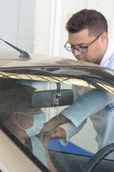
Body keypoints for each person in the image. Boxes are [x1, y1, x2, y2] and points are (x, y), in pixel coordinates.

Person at [40, 9, 114, 156]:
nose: (76, 53)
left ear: (103, 37)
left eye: (83, 47)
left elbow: (101, 95)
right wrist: (64, 130)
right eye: (72, 47)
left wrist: (54, 121)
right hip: (106, 154)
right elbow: (80, 111)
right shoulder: (83, 67)